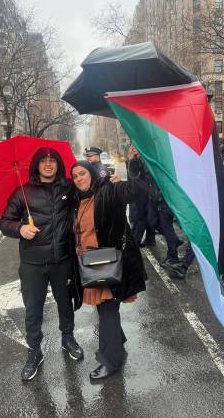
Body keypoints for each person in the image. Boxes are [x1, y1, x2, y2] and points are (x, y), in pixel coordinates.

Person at [0, 148, 83, 382]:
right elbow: (5, 222)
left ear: (58, 165)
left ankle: (68, 339)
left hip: (62, 261)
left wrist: (109, 182)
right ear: (36, 165)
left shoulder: (68, 188)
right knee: (33, 309)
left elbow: (89, 191)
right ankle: (34, 351)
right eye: (43, 161)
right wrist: (20, 229)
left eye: (52, 161)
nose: (48, 165)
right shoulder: (22, 192)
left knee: (65, 304)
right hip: (32, 264)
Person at [70, 160, 147, 380]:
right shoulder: (77, 200)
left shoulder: (108, 190)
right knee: (104, 310)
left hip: (107, 260)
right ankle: (117, 343)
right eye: (74, 176)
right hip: (89, 262)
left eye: (82, 173)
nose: (79, 179)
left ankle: (110, 360)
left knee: (107, 310)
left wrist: (131, 170)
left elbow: (138, 190)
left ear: (92, 174)